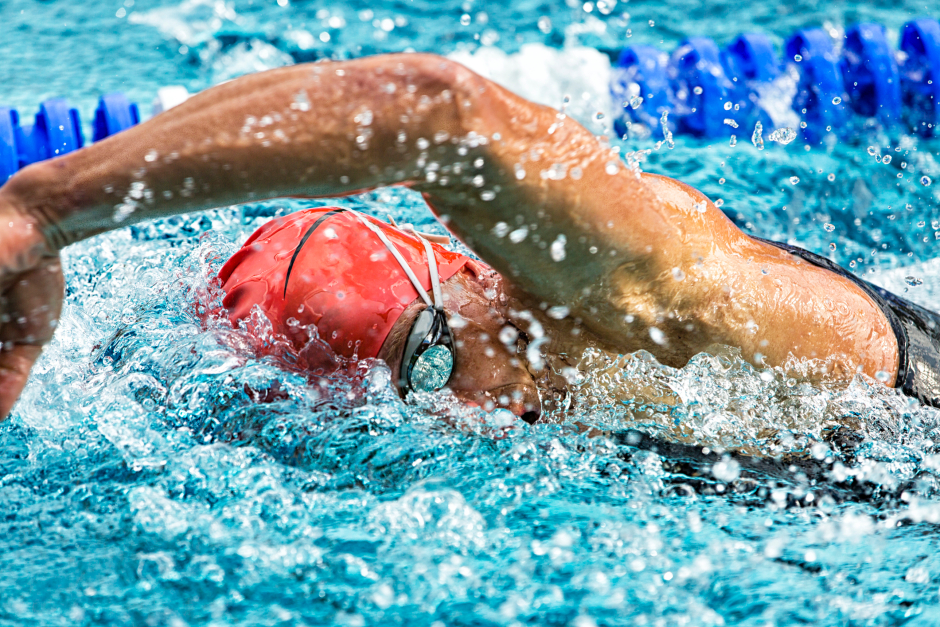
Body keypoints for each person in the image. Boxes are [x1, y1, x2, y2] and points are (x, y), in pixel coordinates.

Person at [0, 52, 937, 423]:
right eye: (398, 398)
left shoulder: (641, 294)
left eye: (430, 359)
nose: (448, 413)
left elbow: (433, 109)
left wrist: (45, 209)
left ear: (467, 269)